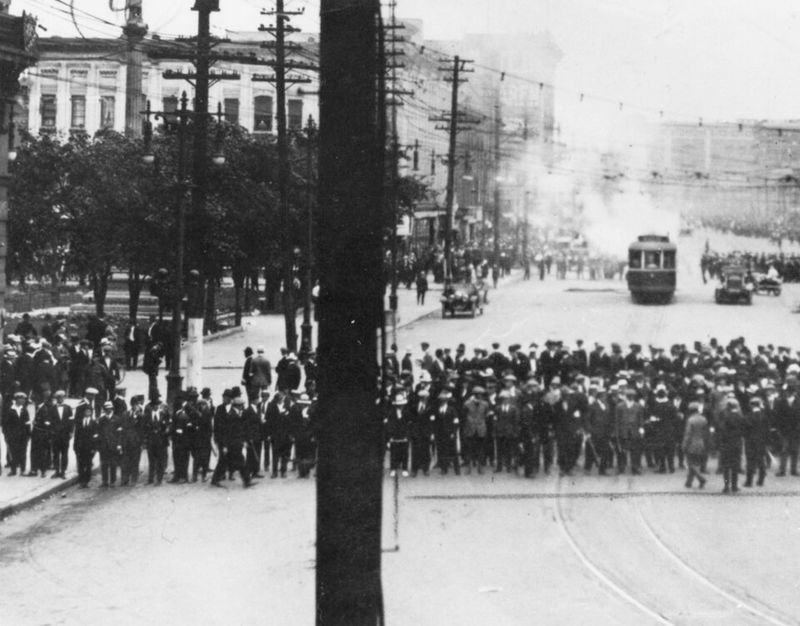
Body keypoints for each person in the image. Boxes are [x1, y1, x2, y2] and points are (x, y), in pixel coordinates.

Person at [716, 395, 746, 493]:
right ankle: (734, 486)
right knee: (735, 467)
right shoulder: (740, 417)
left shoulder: (725, 417)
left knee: (726, 468)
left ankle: (726, 486)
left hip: (726, 444)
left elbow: (722, 429)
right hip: (737, 443)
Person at [73, 389, 100, 488]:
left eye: (94, 396)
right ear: (88, 395)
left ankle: (86, 480)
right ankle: (82, 480)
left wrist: (94, 447)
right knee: (81, 463)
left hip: (89, 445)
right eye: (92, 395)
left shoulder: (92, 420)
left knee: (88, 464)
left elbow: (95, 434)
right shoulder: (82, 405)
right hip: (81, 444)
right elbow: (77, 426)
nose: (93, 398)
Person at [143, 392, 171, 485]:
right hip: (151, 439)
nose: (155, 405)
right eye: (154, 404)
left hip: (161, 439)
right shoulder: (147, 410)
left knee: (160, 459)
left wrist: (166, 431)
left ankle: (159, 479)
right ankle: (150, 479)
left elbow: (168, 423)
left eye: (157, 404)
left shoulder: (164, 409)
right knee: (151, 460)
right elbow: (145, 424)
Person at [461, 386, 489, 474]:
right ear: (474, 395)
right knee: (469, 449)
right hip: (470, 428)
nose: (479, 396)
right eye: (478, 395)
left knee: (481, 449)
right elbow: (464, 416)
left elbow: (486, 415)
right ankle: (468, 467)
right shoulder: (467, 404)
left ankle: (480, 467)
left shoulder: (485, 404)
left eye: (481, 395)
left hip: (481, 428)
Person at [119, 395, 144, 486]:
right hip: (126, 441)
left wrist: (141, 443)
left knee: (135, 460)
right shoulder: (125, 414)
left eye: (137, 404)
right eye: (134, 404)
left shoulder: (141, 416)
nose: (135, 406)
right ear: (131, 405)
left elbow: (142, 429)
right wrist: (121, 442)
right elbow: (123, 427)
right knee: (125, 460)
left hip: (136, 442)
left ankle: (134, 479)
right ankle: (125, 478)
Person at [682, 402, 708, 489]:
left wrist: (684, 445)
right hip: (701, 443)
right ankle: (688, 482)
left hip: (692, 443)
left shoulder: (690, 420)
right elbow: (705, 433)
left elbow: (688, 434)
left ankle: (701, 479)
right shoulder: (704, 419)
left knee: (690, 463)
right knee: (695, 463)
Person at [3, 391, 30, 476]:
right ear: (16, 400)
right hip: (13, 435)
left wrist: (28, 434)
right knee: (13, 452)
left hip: (23, 435)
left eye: (23, 399)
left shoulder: (24, 410)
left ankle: (23, 469)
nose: (23, 401)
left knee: (23, 452)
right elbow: (5, 424)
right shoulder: (10, 410)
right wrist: (6, 435)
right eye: (21, 399)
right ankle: (13, 470)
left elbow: (27, 423)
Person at [744, 396, 768, 487]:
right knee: (761, 460)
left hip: (750, 441)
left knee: (750, 461)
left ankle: (749, 481)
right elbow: (767, 431)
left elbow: (745, 430)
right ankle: (761, 480)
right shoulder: (764, 416)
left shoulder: (748, 416)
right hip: (761, 441)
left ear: (751, 405)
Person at [385, 392, 410, 477]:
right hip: (394, 435)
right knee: (394, 453)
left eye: (402, 404)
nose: (400, 406)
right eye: (398, 405)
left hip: (404, 436)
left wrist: (407, 436)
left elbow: (409, 425)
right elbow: (389, 425)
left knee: (404, 453)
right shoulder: (391, 413)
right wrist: (390, 437)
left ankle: (405, 469)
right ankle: (393, 468)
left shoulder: (406, 412)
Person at [48, 389, 73, 479]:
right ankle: (56, 471)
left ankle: (63, 471)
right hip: (55, 435)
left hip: (65, 435)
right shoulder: (52, 409)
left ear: (64, 398)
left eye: (62, 397)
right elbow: (50, 422)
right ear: (56, 398)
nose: (60, 399)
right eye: (58, 397)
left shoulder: (68, 408)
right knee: (55, 454)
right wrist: (51, 433)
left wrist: (71, 432)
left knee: (64, 453)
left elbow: (71, 421)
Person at [97, 401, 122, 487]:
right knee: (104, 464)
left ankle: (113, 481)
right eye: (106, 409)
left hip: (113, 444)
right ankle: (104, 481)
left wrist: (119, 444)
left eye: (110, 409)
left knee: (113, 464)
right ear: (104, 410)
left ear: (112, 409)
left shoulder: (117, 419)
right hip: (103, 445)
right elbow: (99, 433)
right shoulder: (101, 420)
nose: (108, 410)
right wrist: (99, 445)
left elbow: (119, 433)